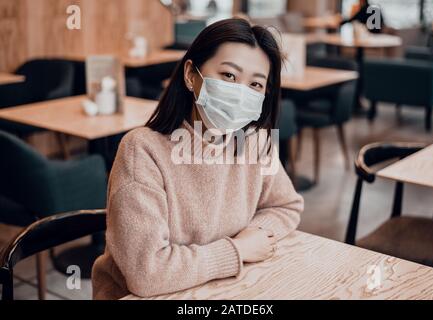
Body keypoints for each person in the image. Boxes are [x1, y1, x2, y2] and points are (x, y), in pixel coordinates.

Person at [92, 18, 304, 300]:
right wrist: (237, 251)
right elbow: (148, 274)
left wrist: (256, 236)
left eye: (255, 83)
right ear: (191, 74)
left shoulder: (255, 142)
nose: (241, 92)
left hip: (225, 290)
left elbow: (286, 205)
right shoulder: (142, 150)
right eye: (229, 76)